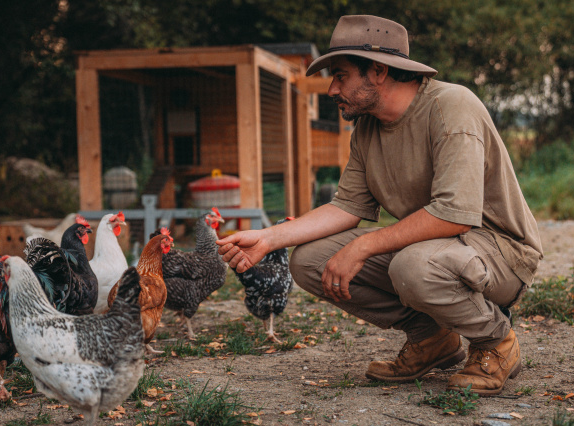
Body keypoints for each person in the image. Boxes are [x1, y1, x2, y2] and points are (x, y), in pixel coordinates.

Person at [217, 15, 543, 396]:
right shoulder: (367, 130)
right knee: (308, 260)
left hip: (502, 254)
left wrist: (363, 245)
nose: (332, 89)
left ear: (378, 71)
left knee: (413, 265)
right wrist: (270, 238)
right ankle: (432, 338)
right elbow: (345, 207)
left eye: (340, 75)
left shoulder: (451, 106)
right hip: (439, 250)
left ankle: (496, 343)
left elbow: (454, 216)